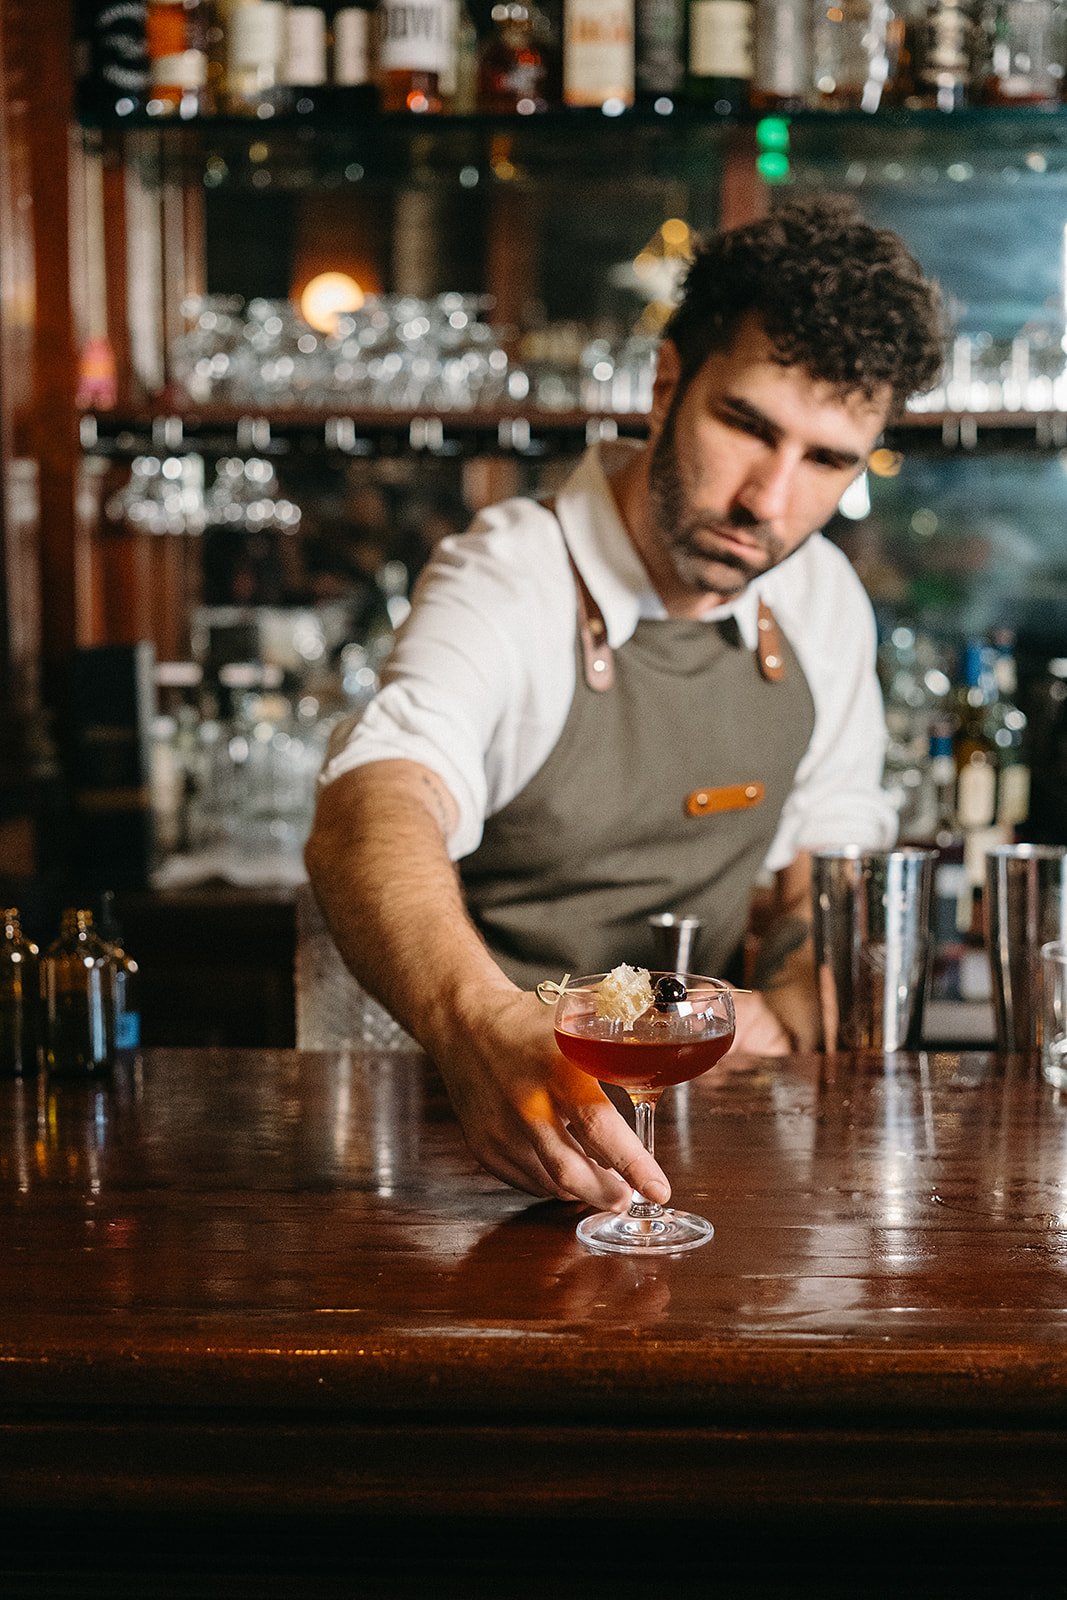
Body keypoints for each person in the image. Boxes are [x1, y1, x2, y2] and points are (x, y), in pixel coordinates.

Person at [305, 196, 944, 1212]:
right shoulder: (510, 574)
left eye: (825, 460)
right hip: (479, 1149)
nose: (767, 502)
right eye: (744, 425)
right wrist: (480, 1025)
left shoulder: (818, 598)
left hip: (717, 1144)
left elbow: (821, 873)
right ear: (664, 385)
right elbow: (370, 805)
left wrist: (783, 1006)